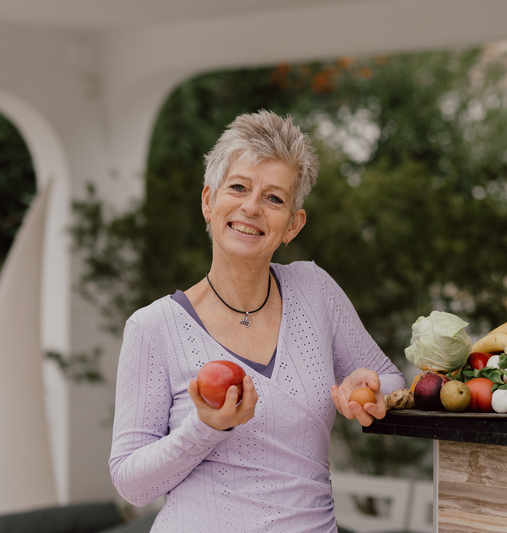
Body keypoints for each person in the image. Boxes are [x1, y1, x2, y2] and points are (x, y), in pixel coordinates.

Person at [109, 110, 406, 532]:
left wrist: (372, 390)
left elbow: (390, 379)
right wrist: (205, 428)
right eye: (238, 187)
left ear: (292, 226)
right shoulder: (153, 327)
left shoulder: (315, 290)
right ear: (208, 201)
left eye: (274, 198)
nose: (251, 207)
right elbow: (131, 484)